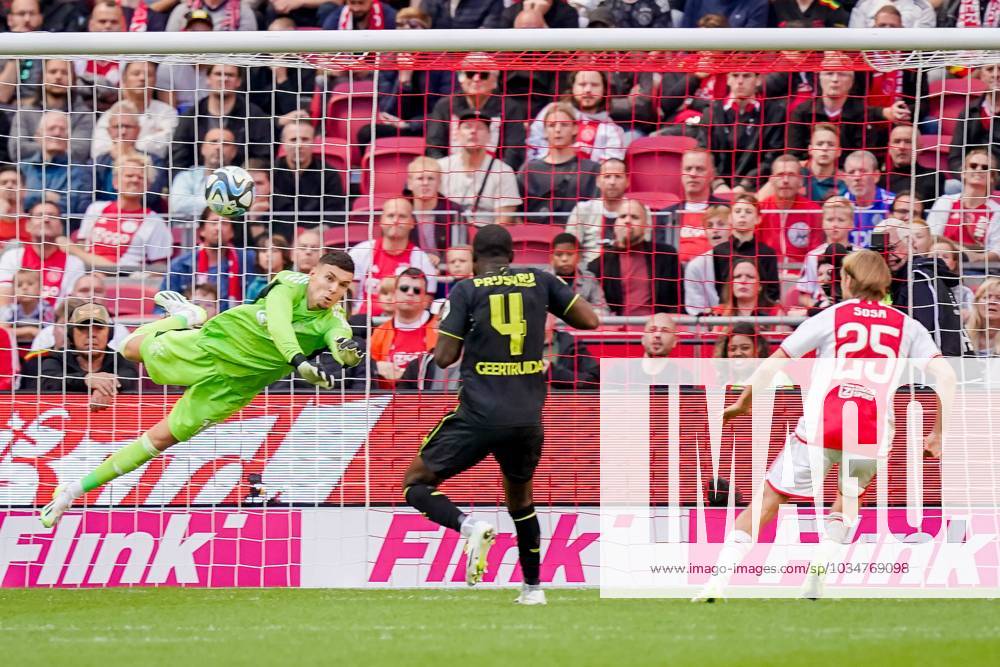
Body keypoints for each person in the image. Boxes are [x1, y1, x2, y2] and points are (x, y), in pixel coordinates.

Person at [695, 249, 953, 601]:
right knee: (848, 498)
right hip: (871, 431)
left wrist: (744, 400)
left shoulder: (832, 316)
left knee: (770, 498)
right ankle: (819, 571)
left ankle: (717, 580)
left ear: (848, 280)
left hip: (821, 425)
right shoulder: (907, 325)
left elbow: (775, 362)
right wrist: (938, 430)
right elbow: (946, 376)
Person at [40, 252, 367, 529]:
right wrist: (299, 361)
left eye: (342, 286)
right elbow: (280, 325)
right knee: (127, 347)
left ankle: (72, 491)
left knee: (160, 440)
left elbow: (340, 341)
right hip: (211, 347)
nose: (333, 290)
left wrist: (346, 355)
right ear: (313, 274)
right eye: (329, 278)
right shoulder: (288, 284)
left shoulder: (333, 319)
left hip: (234, 386)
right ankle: (186, 316)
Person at [400, 224, 599, 604]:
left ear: (475, 260)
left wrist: (455, 323)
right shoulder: (540, 280)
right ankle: (533, 589)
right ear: (511, 256)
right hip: (526, 417)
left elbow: (443, 358)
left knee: (416, 482)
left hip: (478, 415)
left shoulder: (467, 289)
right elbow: (590, 320)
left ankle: (467, 524)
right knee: (521, 501)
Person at [878, 218, 972, 357]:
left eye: (892, 247)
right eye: (881, 250)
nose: (888, 255)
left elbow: (931, 335)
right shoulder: (900, 278)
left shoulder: (920, 277)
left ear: (910, 242)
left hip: (944, 366)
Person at [71, 154, 173, 269]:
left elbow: (159, 267)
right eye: (129, 176)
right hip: (89, 275)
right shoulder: (95, 209)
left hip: (126, 279)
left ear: (148, 186)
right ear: (115, 182)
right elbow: (82, 245)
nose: (135, 180)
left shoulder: (155, 222)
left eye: (141, 177)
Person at [425, 56, 527, 170]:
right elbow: (434, 146)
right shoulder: (445, 105)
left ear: (494, 81)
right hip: (449, 174)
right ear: (461, 79)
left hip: (496, 174)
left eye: (483, 74)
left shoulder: (510, 107)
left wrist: (497, 175)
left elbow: (515, 150)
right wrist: (444, 172)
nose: (476, 78)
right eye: (470, 73)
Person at [587, 199, 682, 316]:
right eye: (622, 216)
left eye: (634, 217)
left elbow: (678, 302)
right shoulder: (598, 265)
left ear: (646, 226)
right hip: (615, 330)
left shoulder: (666, 256)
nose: (627, 221)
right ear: (615, 224)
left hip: (657, 330)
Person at [171, 64, 272, 170]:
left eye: (230, 75)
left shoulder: (254, 116)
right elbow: (178, 159)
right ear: (208, 79)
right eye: (218, 74)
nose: (224, 79)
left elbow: (262, 159)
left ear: (239, 81)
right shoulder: (192, 116)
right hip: (197, 182)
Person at [697, 71, 786, 191]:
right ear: (728, 79)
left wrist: (746, 184)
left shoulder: (775, 112)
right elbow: (704, 153)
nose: (740, 81)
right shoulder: (711, 112)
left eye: (746, 76)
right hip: (716, 188)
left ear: (758, 80)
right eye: (735, 75)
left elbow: (773, 156)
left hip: (758, 188)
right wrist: (717, 183)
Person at [349, 197, 437, 315]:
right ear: (381, 221)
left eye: (402, 216)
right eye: (390, 216)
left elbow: (424, 305)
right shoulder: (360, 252)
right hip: (363, 323)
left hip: (403, 324)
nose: (396, 220)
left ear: (412, 223)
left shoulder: (422, 260)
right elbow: (347, 297)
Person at [437, 109, 523, 226]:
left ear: (489, 137)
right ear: (456, 134)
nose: (473, 131)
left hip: (486, 237)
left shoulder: (504, 171)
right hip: (446, 236)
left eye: (480, 127)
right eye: (468, 127)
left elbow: (503, 222)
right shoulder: (440, 167)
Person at [36, 302, 139, 398]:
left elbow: (128, 379)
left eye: (99, 328)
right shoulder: (56, 358)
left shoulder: (121, 359)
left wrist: (101, 389)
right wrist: (86, 379)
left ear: (109, 333)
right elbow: (48, 381)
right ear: (71, 334)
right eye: (83, 328)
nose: (91, 334)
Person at [519, 103, 600, 224]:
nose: (557, 130)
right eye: (552, 125)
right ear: (545, 131)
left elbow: (597, 212)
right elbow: (516, 215)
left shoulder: (591, 169)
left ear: (575, 128)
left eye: (564, 125)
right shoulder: (529, 170)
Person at [160, 210, 255, 311]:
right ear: (201, 230)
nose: (218, 228)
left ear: (232, 232)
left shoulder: (247, 260)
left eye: (224, 223)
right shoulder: (180, 265)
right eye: (214, 222)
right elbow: (164, 305)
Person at [0, 199, 86, 308]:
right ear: (28, 226)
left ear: (61, 227)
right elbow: (3, 304)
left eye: (52, 216)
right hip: (15, 322)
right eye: (39, 215)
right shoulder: (12, 257)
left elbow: (70, 308)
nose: (46, 219)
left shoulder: (74, 263)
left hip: (57, 323)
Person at [7, 58, 94, 165]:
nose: (58, 77)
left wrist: (43, 145)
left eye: (65, 73)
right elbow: (16, 150)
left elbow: (80, 152)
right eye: (52, 72)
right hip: (29, 175)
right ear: (42, 77)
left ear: (73, 79)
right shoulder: (25, 113)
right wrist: (57, 146)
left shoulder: (83, 115)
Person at [526, 71, 626, 163]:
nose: (588, 90)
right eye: (582, 84)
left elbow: (610, 172)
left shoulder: (611, 130)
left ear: (604, 90)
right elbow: (532, 149)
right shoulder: (552, 112)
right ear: (572, 88)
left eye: (595, 85)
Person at [91, 60, 177, 162]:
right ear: (124, 80)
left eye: (148, 74)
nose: (142, 78)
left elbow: (165, 145)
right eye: (136, 74)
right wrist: (149, 139)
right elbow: (99, 150)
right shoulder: (111, 113)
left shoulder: (167, 112)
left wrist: (125, 147)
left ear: (155, 80)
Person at [566, 158, 647, 264]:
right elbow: (570, 249)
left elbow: (644, 249)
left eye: (618, 177)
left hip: (629, 270)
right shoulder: (582, 209)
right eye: (607, 176)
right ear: (598, 181)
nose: (612, 182)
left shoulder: (638, 211)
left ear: (627, 181)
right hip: (588, 274)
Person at [926, 149, 1000, 265]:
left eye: (985, 167)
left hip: (978, 268)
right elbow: (931, 237)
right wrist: (962, 250)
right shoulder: (945, 202)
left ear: (992, 177)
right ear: (963, 172)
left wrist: (977, 258)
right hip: (941, 263)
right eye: (973, 166)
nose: (979, 170)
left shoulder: (996, 212)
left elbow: (997, 250)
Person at [271, 121, 347, 230]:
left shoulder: (329, 174)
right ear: (283, 143)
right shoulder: (270, 174)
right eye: (293, 140)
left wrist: (310, 236)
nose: (299, 145)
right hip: (278, 236)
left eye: (305, 139)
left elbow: (335, 216)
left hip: (316, 238)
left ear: (314, 142)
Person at [92, 101, 169, 206]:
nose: (122, 132)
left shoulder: (155, 162)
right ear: (109, 131)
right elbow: (89, 197)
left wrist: (124, 159)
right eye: (117, 127)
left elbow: (151, 198)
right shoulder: (96, 164)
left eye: (128, 127)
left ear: (138, 130)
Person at [371, 267, 437, 388]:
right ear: (395, 293)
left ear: (425, 298)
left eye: (417, 290)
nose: (410, 293)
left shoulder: (439, 329)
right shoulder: (380, 332)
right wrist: (378, 366)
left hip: (430, 399)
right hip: (388, 400)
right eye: (404, 288)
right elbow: (367, 369)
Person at [20, 111, 94, 220]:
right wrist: (46, 196)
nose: (57, 133)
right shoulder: (22, 168)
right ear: (37, 136)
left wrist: (31, 197)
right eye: (51, 128)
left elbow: (74, 208)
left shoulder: (80, 172)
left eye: (62, 129)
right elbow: (13, 201)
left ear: (68, 137)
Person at [658, 148, 729, 257]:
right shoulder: (666, 215)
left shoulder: (728, 211)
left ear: (712, 175)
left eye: (700, 169)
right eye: (688, 168)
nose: (693, 174)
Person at [710, 194, 780, 304]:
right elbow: (715, 287)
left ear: (758, 219)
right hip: (725, 313)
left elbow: (772, 291)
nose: (742, 215)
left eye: (748, 212)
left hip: (758, 314)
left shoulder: (767, 253)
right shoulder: (718, 251)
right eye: (737, 211)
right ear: (730, 218)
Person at [757, 153, 823, 264]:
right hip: (768, 275)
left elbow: (815, 254)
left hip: (802, 277)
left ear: (801, 180)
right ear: (771, 180)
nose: (785, 180)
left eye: (791, 175)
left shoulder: (813, 211)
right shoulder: (761, 210)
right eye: (780, 175)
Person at [796, 197, 856, 307]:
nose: (835, 225)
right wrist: (820, 306)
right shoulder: (813, 256)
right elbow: (803, 295)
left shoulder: (861, 255)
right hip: (821, 313)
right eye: (830, 219)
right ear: (822, 223)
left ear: (851, 224)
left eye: (841, 220)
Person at [170, 125, 238, 220]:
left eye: (225, 144)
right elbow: (178, 205)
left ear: (234, 152)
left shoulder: (242, 179)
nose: (218, 147)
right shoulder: (185, 177)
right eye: (213, 142)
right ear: (203, 148)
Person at [405, 156, 466, 259]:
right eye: (420, 178)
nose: (425, 183)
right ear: (410, 183)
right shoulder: (401, 210)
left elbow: (462, 251)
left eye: (431, 178)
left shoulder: (454, 211)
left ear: (439, 183)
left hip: (447, 271)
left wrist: (441, 261)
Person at [547, 232, 611, 317]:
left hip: (583, 327)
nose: (564, 259)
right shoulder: (542, 280)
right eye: (559, 255)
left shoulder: (589, 279)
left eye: (570, 254)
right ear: (551, 257)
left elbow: (603, 310)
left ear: (579, 256)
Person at [684, 204, 732, 314]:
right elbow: (695, 310)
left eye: (721, 224)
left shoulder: (746, 262)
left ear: (732, 228)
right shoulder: (695, 266)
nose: (715, 229)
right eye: (710, 225)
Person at [842, 150, 895, 248]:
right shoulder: (839, 206)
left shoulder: (893, 203)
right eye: (851, 172)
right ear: (845, 178)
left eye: (863, 171)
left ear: (876, 176)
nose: (857, 177)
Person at [882, 124, 943, 202]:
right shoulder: (879, 179)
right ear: (889, 148)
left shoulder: (933, 176)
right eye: (897, 141)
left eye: (908, 142)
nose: (902, 147)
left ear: (920, 148)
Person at [542, 312, 600, 390]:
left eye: (544, 313)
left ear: (554, 317)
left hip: (558, 401)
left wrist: (552, 373)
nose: (538, 318)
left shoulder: (571, 344)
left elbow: (593, 381)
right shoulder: (521, 344)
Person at [0, 268, 54, 344]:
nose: (24, 288)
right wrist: (29, 330)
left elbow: (51, 332)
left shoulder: (45, 309)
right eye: (19, 285)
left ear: (40, 289)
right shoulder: (10, 310)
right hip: (15, 350)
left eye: (30, 284)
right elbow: (2, 331)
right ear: (13, 291)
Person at [929, 235, 974, 319]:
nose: (940, 260)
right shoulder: (917, 286)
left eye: (945, 257)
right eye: (934, 256)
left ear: (954, 264)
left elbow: (972, 318)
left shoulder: (964, 292)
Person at [246, 234, 293, 302]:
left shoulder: (291, 282)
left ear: (285, 257)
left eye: (274, 251)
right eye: (263, 251)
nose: (268, 254)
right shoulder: (254, 287)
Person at [165, 0, 258, 31]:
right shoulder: (183, 9)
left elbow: (247, 51)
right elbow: (169, 44)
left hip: (225, 66)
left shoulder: (243, 10)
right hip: (188, 64)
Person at [965, 278, 1000, 356]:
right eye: (986, 297)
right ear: (976, 302)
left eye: (999, 298)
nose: (992, 302)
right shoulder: (963, 335)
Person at [849, 0, 936, 27]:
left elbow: (922, 48)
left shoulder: (924, 8)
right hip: (868, 63)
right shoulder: (863, 4)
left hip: (908, 65)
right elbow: (853, 43)